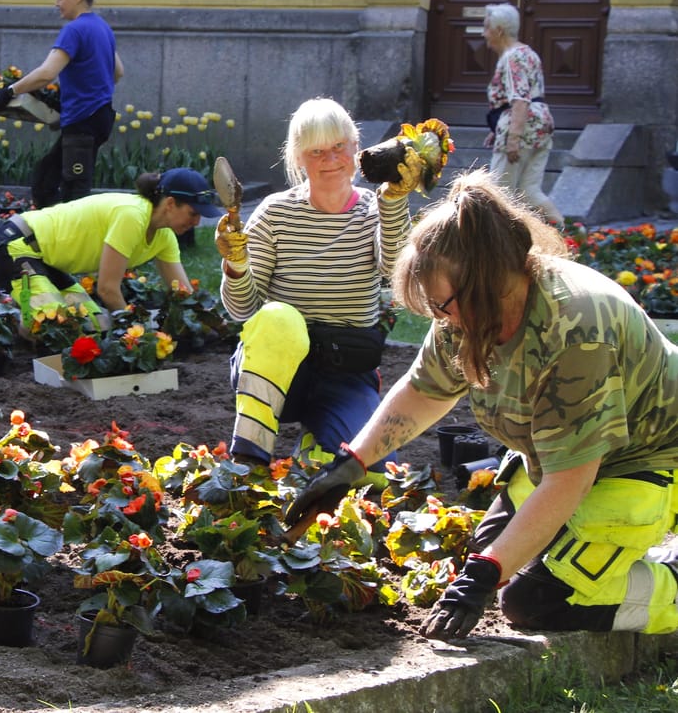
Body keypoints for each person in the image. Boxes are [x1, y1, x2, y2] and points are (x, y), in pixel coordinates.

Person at [286, 171, 678, 640]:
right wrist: (349, 466)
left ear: (485, 284)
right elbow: (425, 390)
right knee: (494, 552)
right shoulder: (467, 309)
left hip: (643, 463)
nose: (440, 319)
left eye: (443, 306)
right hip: (560, 460)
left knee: (534, 601)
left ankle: (669, 585)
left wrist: (484, 577)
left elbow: (570, 480)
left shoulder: (577, 331)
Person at [215, 97, 414, 467]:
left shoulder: (375, 209)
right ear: (298, 158)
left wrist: (394, 202)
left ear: (357, 148)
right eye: (316, 151)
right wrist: (236, 264)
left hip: (346, 366)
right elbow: (243, 309)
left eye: (340, 147)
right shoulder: (274, 213)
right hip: (279, 370)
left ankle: (314, 443)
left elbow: (395, 270)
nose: (331, 159)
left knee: (371, 473)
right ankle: (247, 458)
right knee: (278, 318)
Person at [0, 168, 218, 334]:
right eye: (193, 213)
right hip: (17, 244)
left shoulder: (164, 237)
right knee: (51, 328)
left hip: (49, 262)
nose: (196, 223)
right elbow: (107, 289)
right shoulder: (132, 216)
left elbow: (182, 293)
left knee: (93, 325)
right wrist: (133, 329)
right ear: (170, 203)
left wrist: (211, 325)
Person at [0, 0, 124, 208]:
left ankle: (72, 240)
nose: (57, 3)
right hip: (100, 117)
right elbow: (118, 72)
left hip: (83, 122)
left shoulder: (74, 30)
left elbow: (46, 73)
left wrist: (10, 90)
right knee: (46, 177)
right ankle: (53, 234)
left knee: (74, 190)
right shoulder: (102, 27)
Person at [482, 2, 563, 227]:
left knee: (496, 193)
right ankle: (570, 235)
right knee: (529, 192)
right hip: (541, 124)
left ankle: (496, 250)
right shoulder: (529, 53)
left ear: (498, 30)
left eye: (487, 28)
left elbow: (520, 98)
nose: (484, 34)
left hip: (521, 126)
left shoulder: (511, 57)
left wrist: (513, 137)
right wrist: (498, 128)